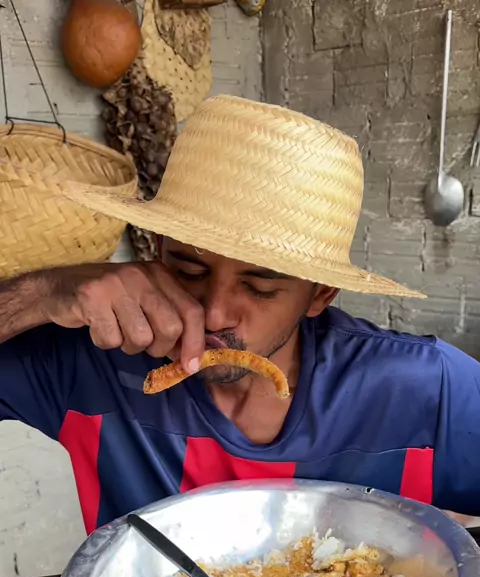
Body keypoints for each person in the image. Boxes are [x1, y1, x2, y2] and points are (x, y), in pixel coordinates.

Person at [0, 94, 479, 534]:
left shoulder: (423, 390)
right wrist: (42, 292)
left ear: (320, 294)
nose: (213, 314)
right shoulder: (92, 358)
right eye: (189, 270)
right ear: (157, 251)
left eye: (259, 287)